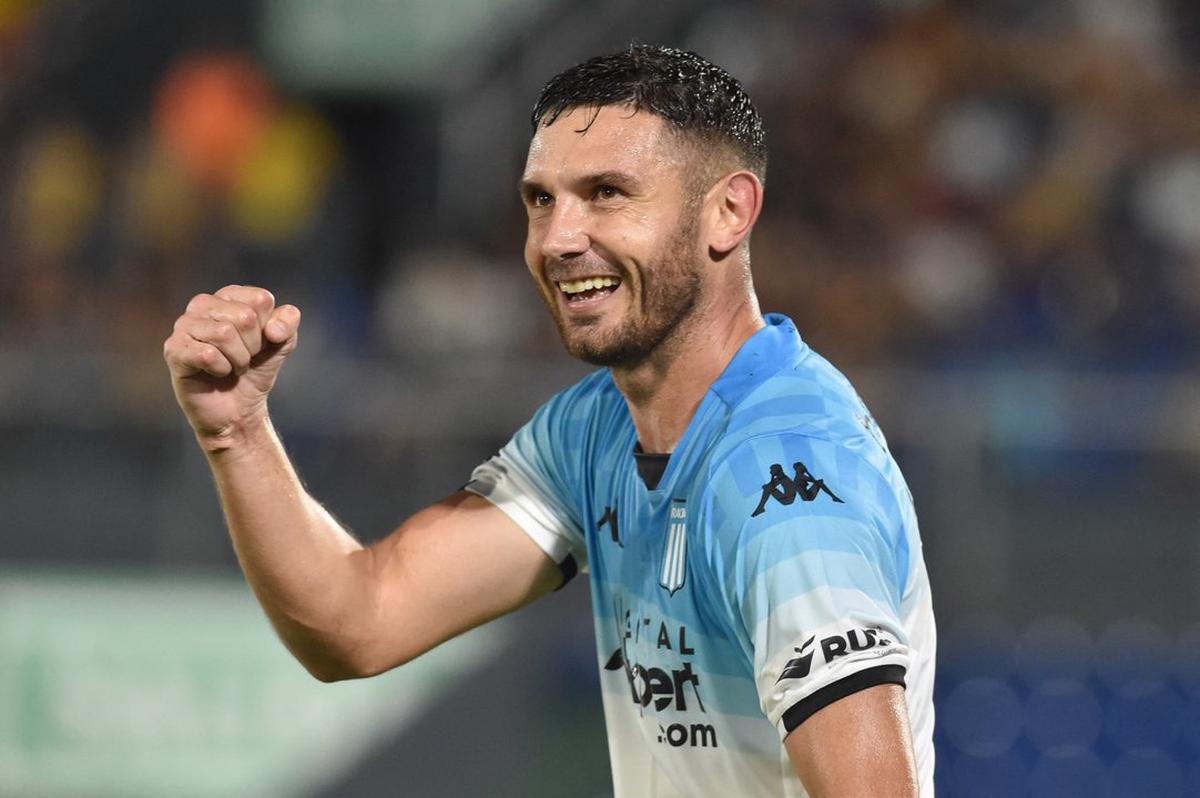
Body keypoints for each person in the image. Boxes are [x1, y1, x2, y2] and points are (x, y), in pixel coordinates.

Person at [163, 44, 935, 797]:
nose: (559, 240)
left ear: (728, 211)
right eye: (542, 198)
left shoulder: (784, 481)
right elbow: (357, 621)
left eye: (607, 193)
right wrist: (237, 433)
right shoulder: (595, 429)